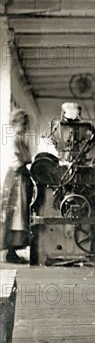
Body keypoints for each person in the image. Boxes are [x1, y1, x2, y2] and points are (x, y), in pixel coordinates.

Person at [1, 109, 34, 264]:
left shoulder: (20, 139)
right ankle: (10, 251)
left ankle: (13, 250)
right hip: (16, 178)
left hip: (22, 177)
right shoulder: (12, 138)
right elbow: (20, 160)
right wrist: (26, 161)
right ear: (15, 124)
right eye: (23, 124)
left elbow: (27, 158)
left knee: (21, 214)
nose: (25, 128)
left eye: (26, 125)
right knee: (15, 214)